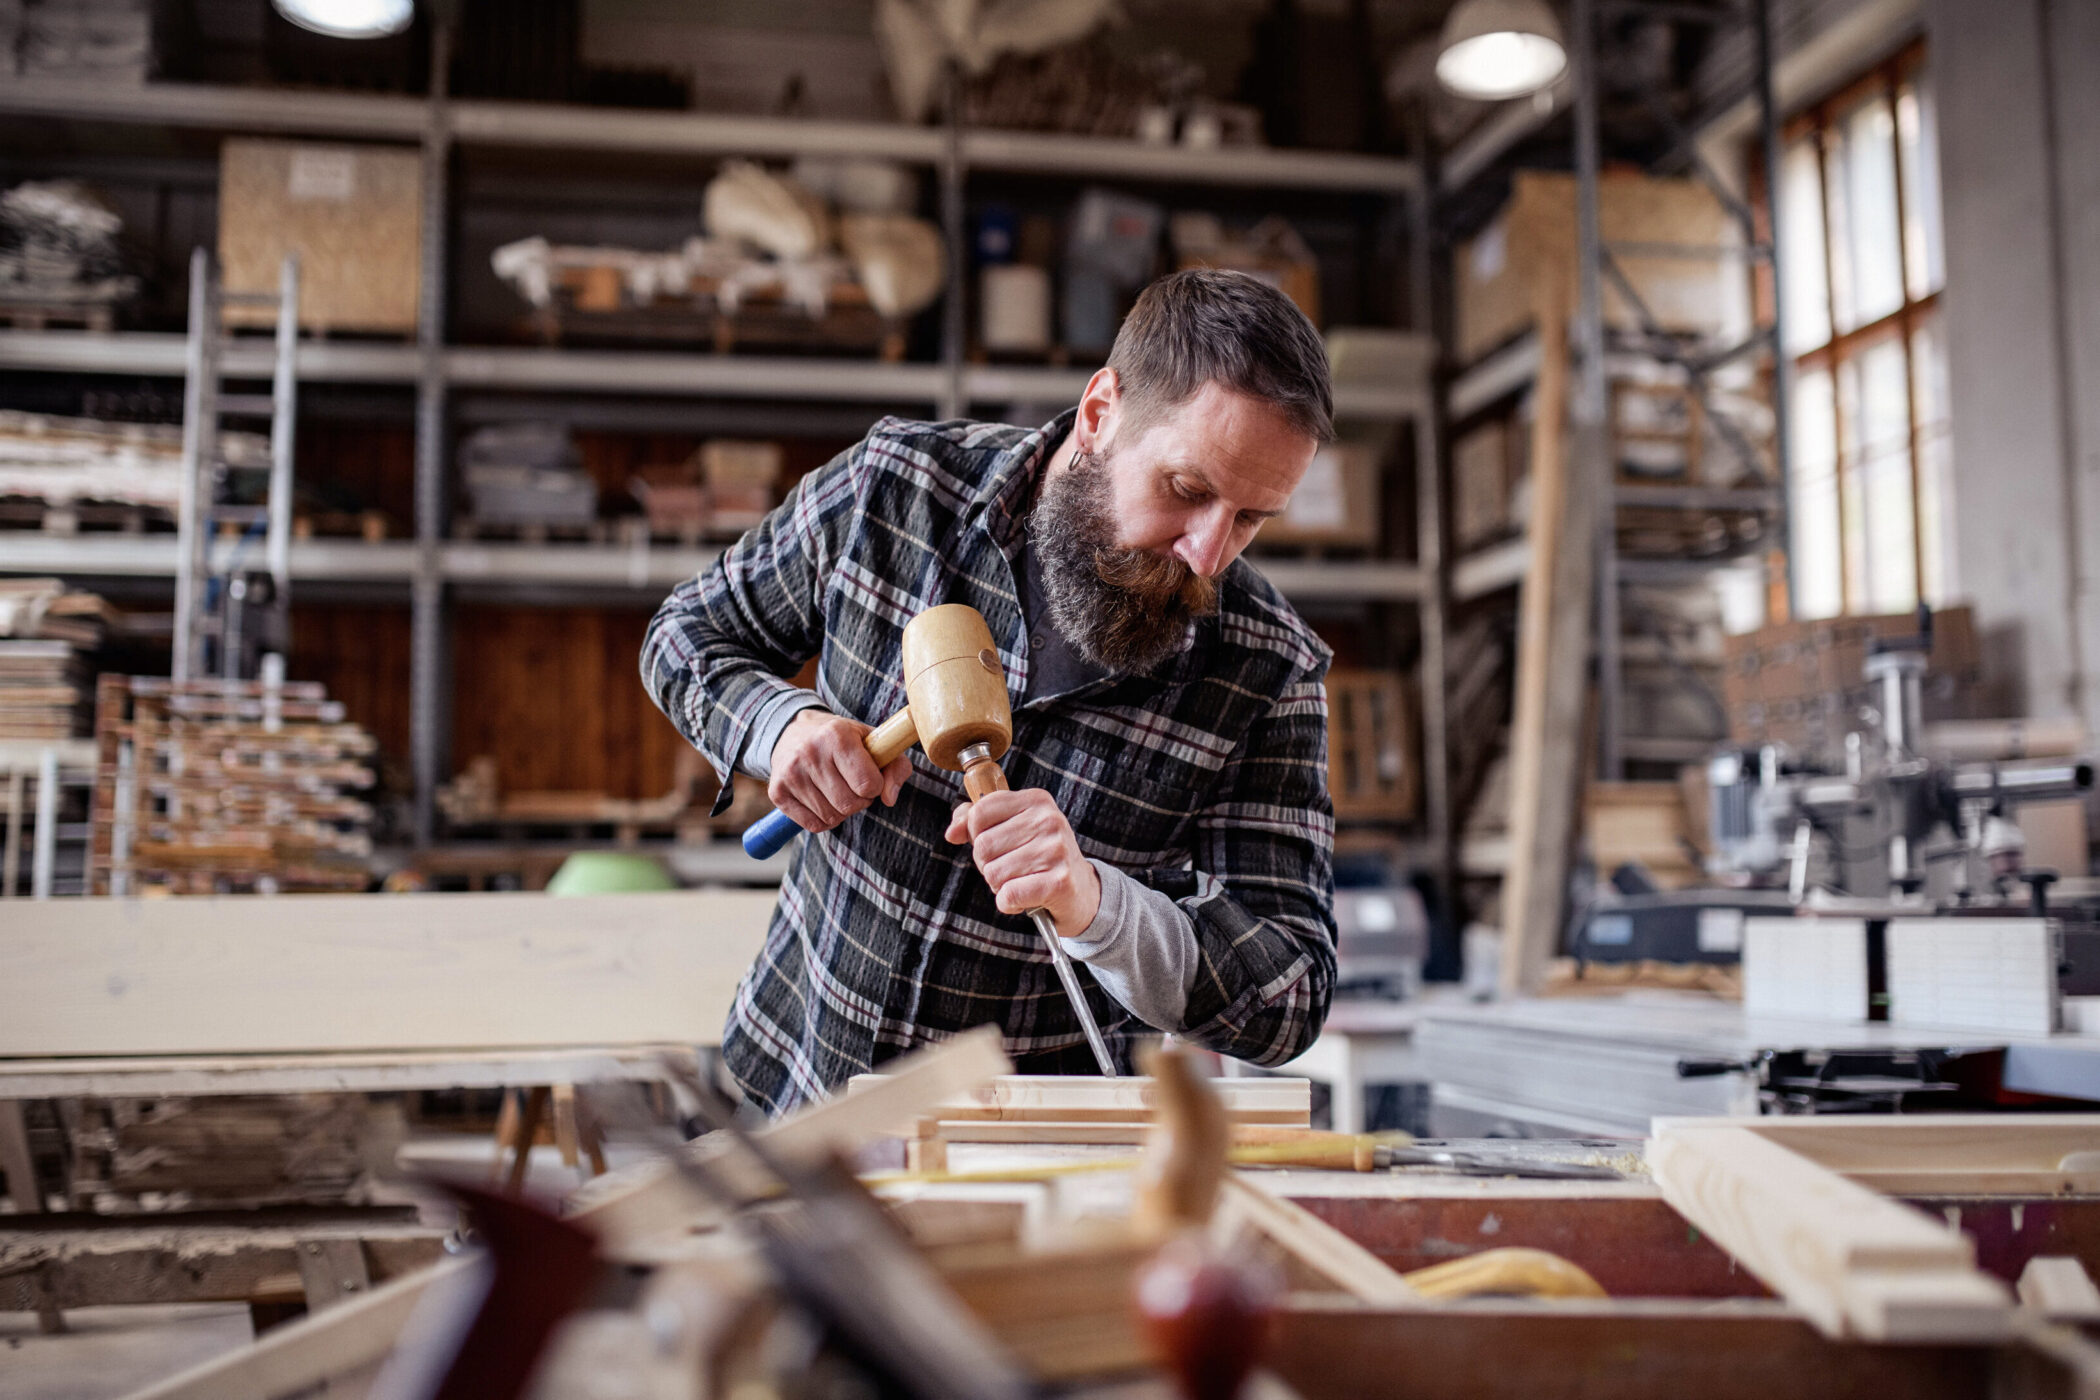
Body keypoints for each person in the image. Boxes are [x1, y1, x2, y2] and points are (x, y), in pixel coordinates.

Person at [642, 268, 1338, 1114]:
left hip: (1032, 1161)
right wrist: (777, 727)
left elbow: (1291, 991)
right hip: (790, 1093)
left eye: (1250, 519)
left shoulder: (1269, 669)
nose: (1207, 553)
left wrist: (1099, 907)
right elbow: (684, 636)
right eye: (1186, 490)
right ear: (1099, 414)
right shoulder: (892, 490)